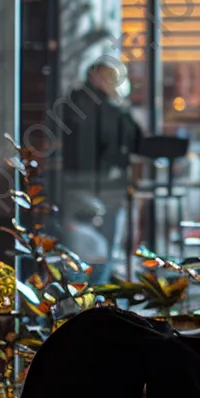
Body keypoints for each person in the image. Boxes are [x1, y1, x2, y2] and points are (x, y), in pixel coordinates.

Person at [58, 60, 143, 273]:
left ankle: (77, 291)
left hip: (76, 181)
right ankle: (97, 294)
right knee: (103, 245)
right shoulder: (111, 109)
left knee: (76, 244)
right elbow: (133, 141)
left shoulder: (70, 104)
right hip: (105, 184)